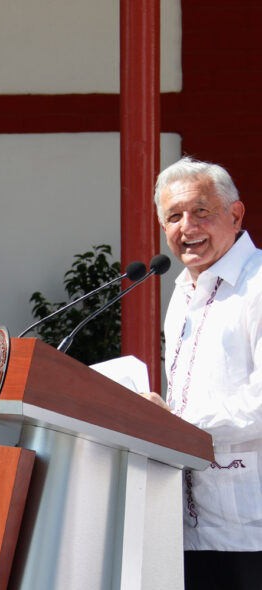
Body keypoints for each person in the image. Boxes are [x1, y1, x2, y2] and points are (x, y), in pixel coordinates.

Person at [140, 156, 262, 589]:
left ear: (235, 214)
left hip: (252, 527)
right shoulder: (182, 295)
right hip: (191, 525)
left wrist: (176, 425)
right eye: (173, 216)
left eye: (200, 212)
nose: (186, 227)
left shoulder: (258, 285)